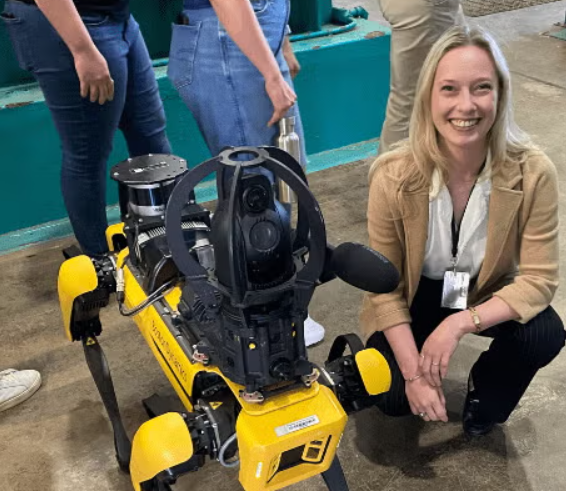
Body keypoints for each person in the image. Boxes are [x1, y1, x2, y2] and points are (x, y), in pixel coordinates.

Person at [360, 25, 566, 436]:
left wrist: (458, 324)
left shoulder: (534, 172)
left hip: (479, 292)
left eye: (482, 88)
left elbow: (540, 279)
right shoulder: (391, 175)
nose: (466, 105)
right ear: (428, 97)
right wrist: (414, 374)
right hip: (413, 295)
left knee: (543, 333)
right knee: (394, 400)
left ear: (501, 94)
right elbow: (382, 288)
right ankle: (413, 368)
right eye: (450, 89)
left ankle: (485, 383)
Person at [167, 0, 324, 346]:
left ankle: (274, 304)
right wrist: (271, 71)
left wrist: (281, 42)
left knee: (278, 177)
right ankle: (262, 320)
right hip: (231, 42)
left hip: (249, 37)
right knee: (254, 194)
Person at [1, 0, 171, 258]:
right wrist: (82, 50)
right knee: (87, 153)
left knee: (150, 132)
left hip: (118, 17)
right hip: (71, 24)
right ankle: (101, 262)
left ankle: (163, 242)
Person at [377, 0, 460, 154]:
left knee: (457, 83)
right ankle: (392, 175)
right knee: (410, 104)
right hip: (426, 8)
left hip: (428, 8)